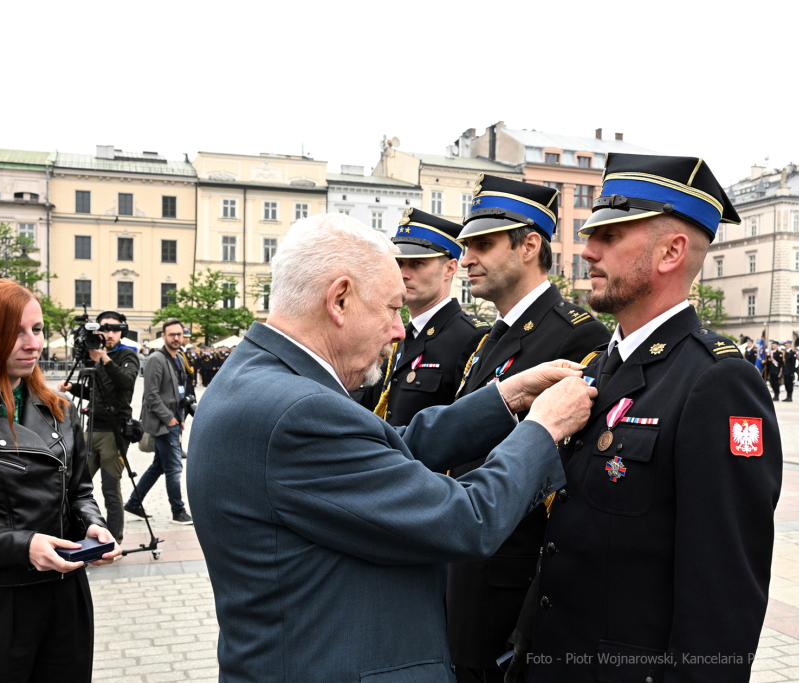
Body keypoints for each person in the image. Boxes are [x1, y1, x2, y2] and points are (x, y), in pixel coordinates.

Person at [186, 213, 597, 683]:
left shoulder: (258, 378)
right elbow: (466, 519)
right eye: (390, 308)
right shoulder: (297, 411)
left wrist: (505, 397)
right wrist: (542, 427)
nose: (400, 329)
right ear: (339, 299)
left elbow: (385, 449)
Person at [505, 152, 782, 683]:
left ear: (671, 251)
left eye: (610, 237)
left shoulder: (716, 383)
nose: (587, 251)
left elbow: (723, 593)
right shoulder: (595, 368)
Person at [449, 174, 611, 683]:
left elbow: (564, 478)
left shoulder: (577, 335)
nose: (467, 257)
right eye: (465, 245)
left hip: (513, 585)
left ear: (530, 245)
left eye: (482, 244)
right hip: (467, 568)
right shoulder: (489, 340)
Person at [0, 279, 121, 682]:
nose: (33, 344)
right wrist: (22, 546)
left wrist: (94, 527)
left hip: (64, 596)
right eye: (15, 332)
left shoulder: (61, 410)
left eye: (36, 329)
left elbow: (80, 491)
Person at [359, 208, 489, 426]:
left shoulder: (473, 337)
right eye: (400, 263)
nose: (403, 273)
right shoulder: (399, 335)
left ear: (450, 268)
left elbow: (469, 426)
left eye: (417, 263)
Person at [57, 310, 139, 544]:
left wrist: (104, 359)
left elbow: (126, 381)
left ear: (121, 331)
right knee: (76, 486)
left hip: (115, 431)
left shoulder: (126, 355)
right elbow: (93, 394)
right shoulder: (93, 358)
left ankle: (113, 540)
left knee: (110, 490)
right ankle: (79, 533)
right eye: (104, 328)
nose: (109, 333)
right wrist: (73, 388)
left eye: (114, 329)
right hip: (90, 428)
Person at [126, 318, 193, 525]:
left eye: (179, 334)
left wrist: (180, 418)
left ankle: (133, 503)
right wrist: (170, 419)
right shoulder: (156, 358)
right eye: (171, 334)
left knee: (159, 465)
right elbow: (151, 395)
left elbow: (178, 392)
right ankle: (178, 511)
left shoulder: (179, 358)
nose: (176, 338)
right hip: (162, 424)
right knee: (174, 468)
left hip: (173, 421)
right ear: (163, 336)